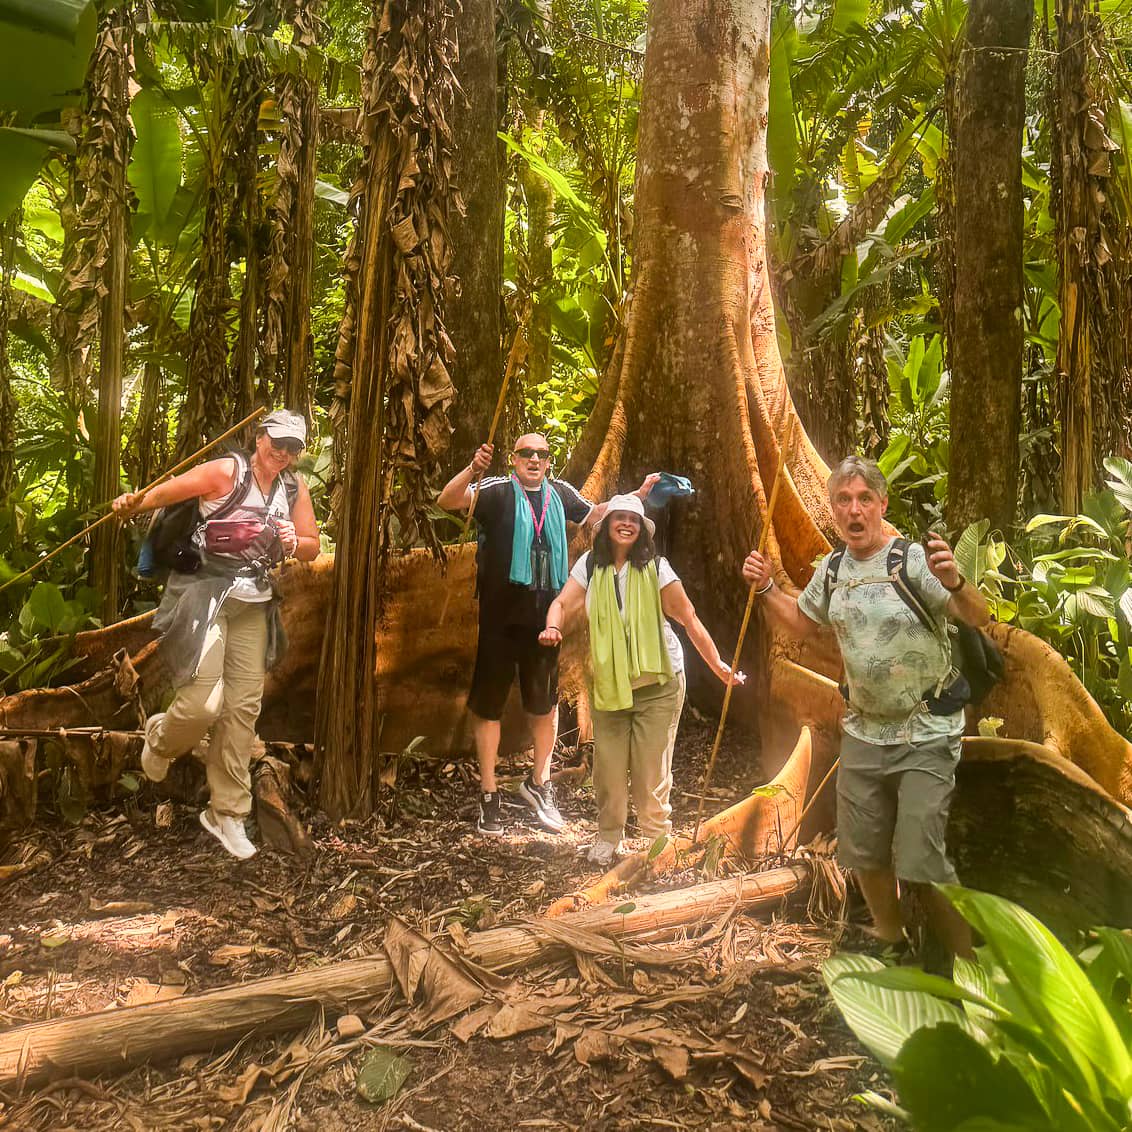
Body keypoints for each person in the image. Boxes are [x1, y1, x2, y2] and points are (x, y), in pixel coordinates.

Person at [742, 455, 987, 958]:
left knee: (922, 860)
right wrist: (767, 587)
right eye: (843, 500)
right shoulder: (832, 570)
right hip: (864, 732)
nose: (854, 511)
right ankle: (892, 940)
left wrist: (958, 582)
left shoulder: (911, 560)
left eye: (864, 500)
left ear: (882, 504)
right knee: (864, 850)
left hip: (926, 731)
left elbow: (977, 616)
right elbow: (804, 622)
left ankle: (969, 963)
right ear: (832, 508)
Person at [112, 409, 320, 859]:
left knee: (244, 706)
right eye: (277, 443)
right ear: (259, 437)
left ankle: (226, 812)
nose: (283, 454)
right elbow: (168, 491)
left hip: (254, 600)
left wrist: (291, 541)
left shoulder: (292, 487)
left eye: (292, 448)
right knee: (204, 700)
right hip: (202, 590)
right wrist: (133, 502)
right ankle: (161, 738)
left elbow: (311, 547)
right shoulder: (229, 471)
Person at [438, 434, 656, 836]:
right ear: (514, 459)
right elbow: (448, 500)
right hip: (500, 620)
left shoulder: (560, 493)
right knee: (489, 705)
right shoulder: (497, 489)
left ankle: (539, 783)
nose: (534, 459)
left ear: (549, 462)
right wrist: (473, 467)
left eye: (542, 454)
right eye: (526, 453)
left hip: (546, 623)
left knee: (545, 706)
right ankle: (489, 793)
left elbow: (596, 516)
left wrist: (635, 497)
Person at [541, 494, 745, 866]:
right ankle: (608, 836)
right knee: (609, 769)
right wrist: (552, 627)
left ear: (641, 530)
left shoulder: (656, 568)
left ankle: (656, 841)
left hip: (659, 684)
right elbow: (561, 603)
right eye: (619, 518)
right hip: (610, 684)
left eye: (633, 520)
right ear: (605, 528)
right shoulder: (590, 567)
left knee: (652, 771)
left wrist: (718, 665)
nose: (626, 524)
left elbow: (689, 618)